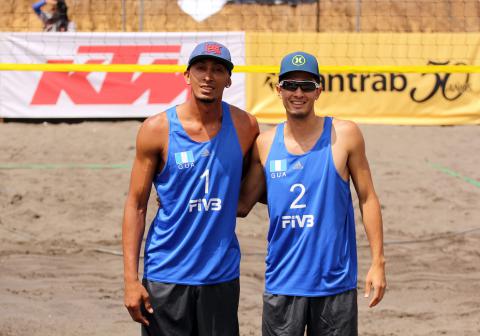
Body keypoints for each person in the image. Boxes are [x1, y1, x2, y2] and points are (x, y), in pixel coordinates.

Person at [238, 51, 386, 335]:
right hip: (283, 280)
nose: (298, 92)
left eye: (307, 85)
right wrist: (183, 192)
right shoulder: (265, 143)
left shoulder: (345, 134)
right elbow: (242, 203)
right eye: (291, 85)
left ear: (319, 90)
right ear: (278, 89)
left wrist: (378, 262)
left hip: (334, 283)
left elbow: (368, 198)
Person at [122, 41, 259, 335]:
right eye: (201, 68)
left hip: (219, 274)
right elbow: (136, 205)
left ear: (229, 79)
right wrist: (131, 280)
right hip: (166, 273)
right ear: (187, 75)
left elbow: (250, 194)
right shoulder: (156, 129)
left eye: (218, 70)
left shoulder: (246, 125)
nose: (208, 76)